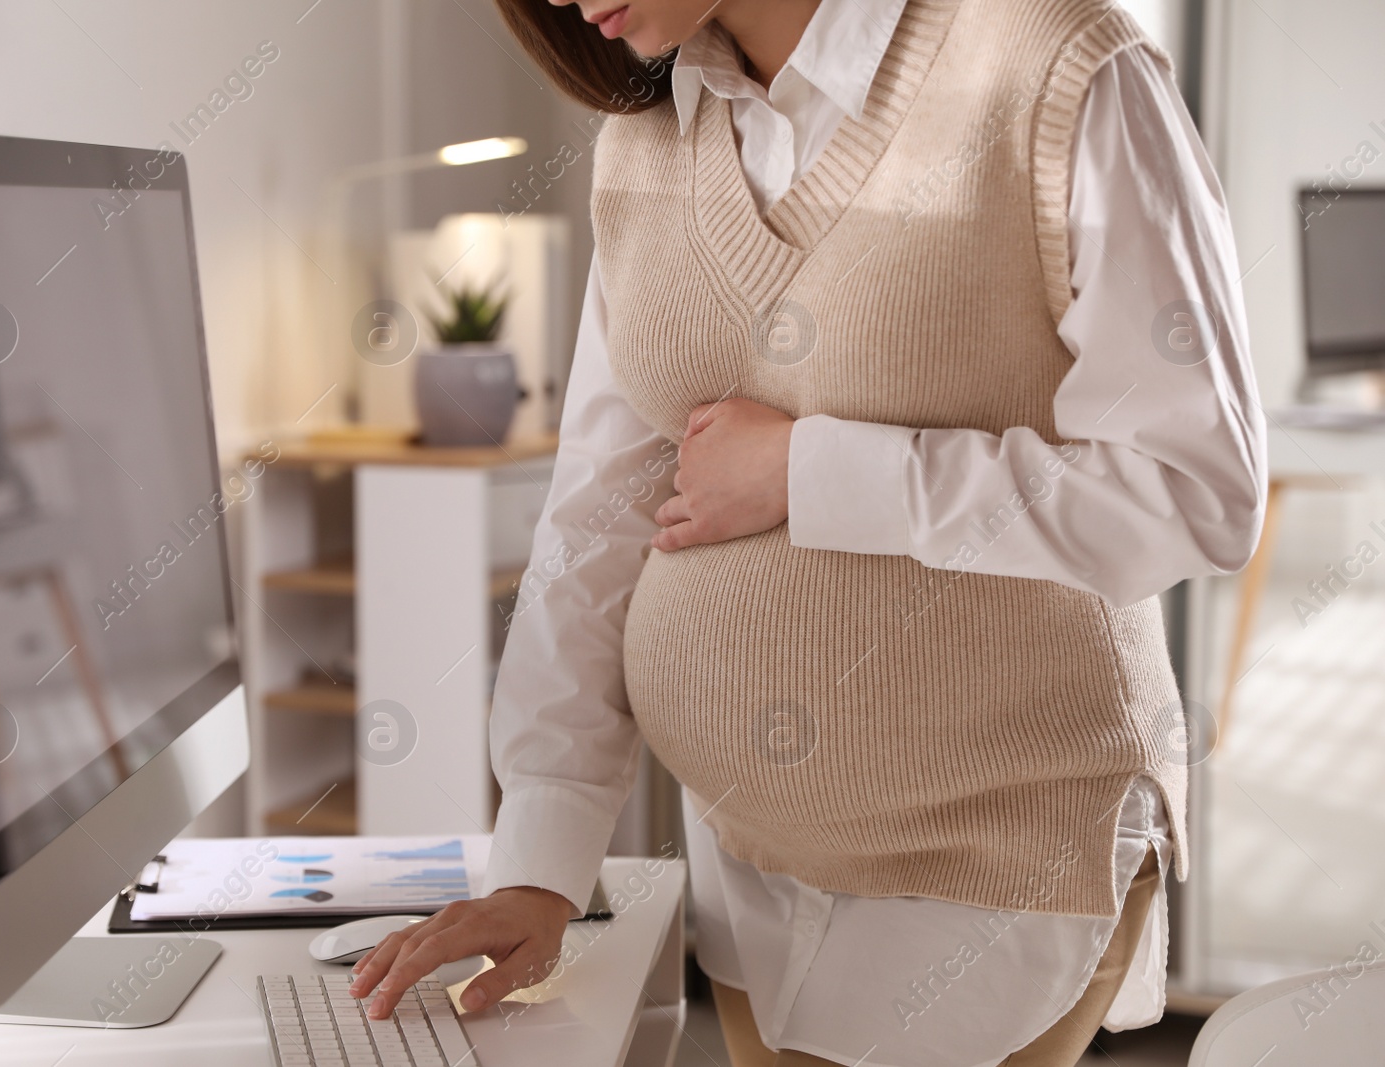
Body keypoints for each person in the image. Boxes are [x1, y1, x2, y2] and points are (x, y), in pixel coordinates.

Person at [349, 0, 1266, 1063]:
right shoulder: (647, 136)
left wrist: (812, 470)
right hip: (747, 860)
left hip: (991, 854)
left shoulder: (1054, 67)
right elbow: (594, 517)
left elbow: (1194, 488)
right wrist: (538, 858)